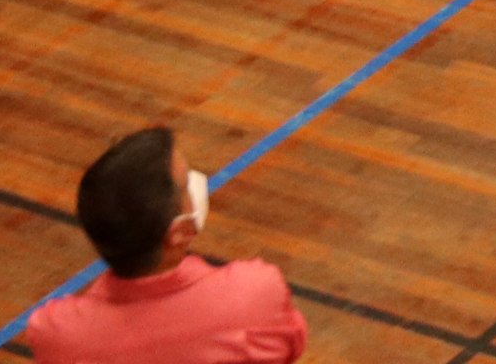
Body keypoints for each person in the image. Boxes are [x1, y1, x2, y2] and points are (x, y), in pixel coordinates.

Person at [21, 126, 307, 364]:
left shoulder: (57, 334)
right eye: (184, 185)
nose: (196, 184)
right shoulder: (254, 292)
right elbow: (289, 344)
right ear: (179, 232)